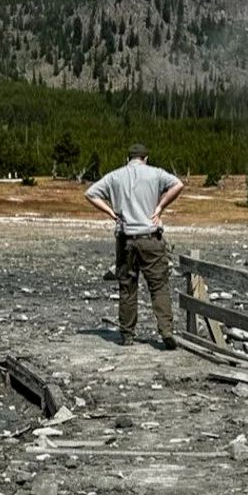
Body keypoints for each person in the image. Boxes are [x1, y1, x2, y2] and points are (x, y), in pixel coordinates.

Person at [85, 143, 184, 347]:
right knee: (159, 286)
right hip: (150, 236)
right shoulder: (156, 173)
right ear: (145, 158)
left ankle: (127, 334)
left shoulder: (115, 176)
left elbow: (90, 193)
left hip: (125, 237)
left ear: (128, 158)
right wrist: (160, 207)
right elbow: (178, 185)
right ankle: (166, 330)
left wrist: (111, 212)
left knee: (127, 287)